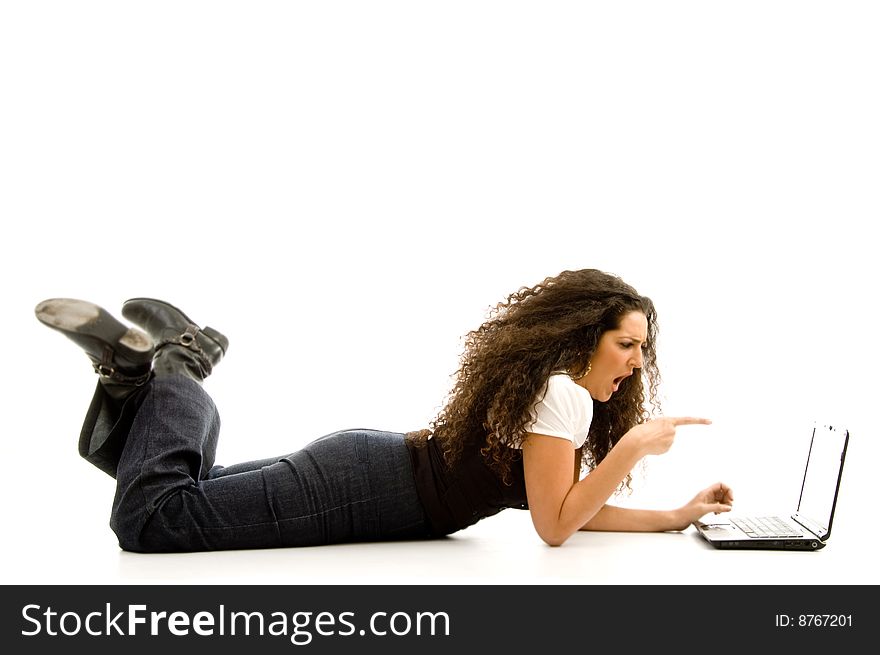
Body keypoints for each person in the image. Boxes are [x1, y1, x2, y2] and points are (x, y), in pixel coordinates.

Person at [34, 269, 733, 553]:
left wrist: (674, 515)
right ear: (587, 337)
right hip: (367, 485)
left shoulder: (554, 396)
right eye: (626, 344)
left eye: (642, 348)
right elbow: (556, 526)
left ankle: (126, 378)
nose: (637, 361)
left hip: (368, 469)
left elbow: (570, 502)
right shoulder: (563, 394)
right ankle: (180, 366)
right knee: (154, 519)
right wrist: (634, 446)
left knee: (188, 486)